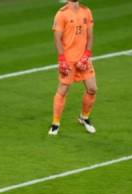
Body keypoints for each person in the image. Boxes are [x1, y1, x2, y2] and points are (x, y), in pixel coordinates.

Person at [48, 0, 97, 135]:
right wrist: (62, 59)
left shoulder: (86, 11)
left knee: (92, 89)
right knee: (63, 90)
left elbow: (90, 36)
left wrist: (86, 55)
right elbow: (57, 38)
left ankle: (84, 117)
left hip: (83, 59)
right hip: (68, 60)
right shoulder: (61, 14)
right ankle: (55, 123)